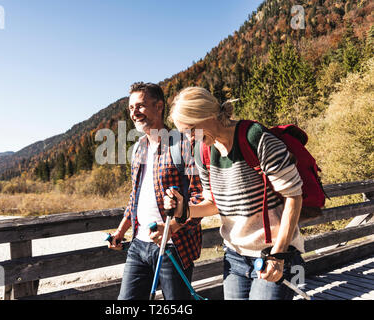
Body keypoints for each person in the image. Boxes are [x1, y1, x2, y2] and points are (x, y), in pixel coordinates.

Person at [164, 86, 305, 300]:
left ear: (208, 116)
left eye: (192, 130)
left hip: (273, 252)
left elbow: (293, 196)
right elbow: (214, 203)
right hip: (235, 257)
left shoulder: (255, 137)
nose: (191, 138)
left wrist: (278, 254)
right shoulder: (203, 152)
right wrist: (183, 209)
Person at [108, 82, 203, 300]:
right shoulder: (139, 147)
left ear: (159, 106)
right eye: (131, 108)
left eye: (140, 106)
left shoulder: (182, 145)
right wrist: (121, 232)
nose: (134, 113)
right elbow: (135, 197)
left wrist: (174, 227)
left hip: (174, 248)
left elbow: (199, 197)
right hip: (138, 245)